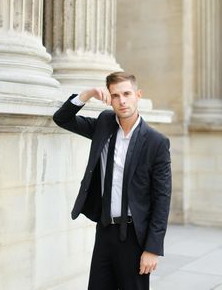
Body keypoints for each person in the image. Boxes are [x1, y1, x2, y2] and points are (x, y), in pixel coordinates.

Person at [53, 72, 171, 290]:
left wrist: (153, 249)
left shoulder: (157, 142)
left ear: (138, 95)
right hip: (105, 230)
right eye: (115, 95)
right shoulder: (104, 124)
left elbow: (162, 198)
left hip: (135, 236)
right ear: (109, 98)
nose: (122, 101)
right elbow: (62, 119)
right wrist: (86, 94)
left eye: (127, 94)